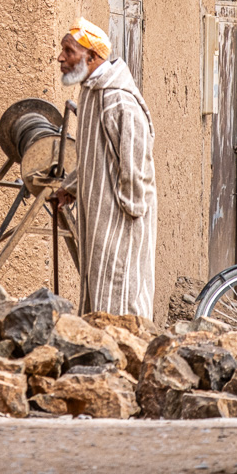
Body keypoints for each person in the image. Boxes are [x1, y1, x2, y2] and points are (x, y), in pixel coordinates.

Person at [55, 17, 156, 319]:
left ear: (93, 57)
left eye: (68, 51)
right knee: (100, 300)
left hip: (120, 224)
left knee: (121, 301)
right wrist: (71, 188)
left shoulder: (118, 101)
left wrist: (128, 215)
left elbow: (136, 163)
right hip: (100, 220)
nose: (60, 58)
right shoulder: (91, 92)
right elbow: (93, 155)